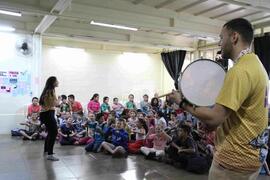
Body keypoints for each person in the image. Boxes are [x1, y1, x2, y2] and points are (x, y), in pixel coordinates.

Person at [169, 18, 269, 180]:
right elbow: (240, 114)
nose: (219, 43)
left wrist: (181, 102)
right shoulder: (256, 65)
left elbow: (215, 118)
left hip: (233, 159)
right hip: (252, 155)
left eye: (221, 38)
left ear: (234, 37)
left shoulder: (239, 71)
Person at [39, 76, 59, 161]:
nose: (58, 82)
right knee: (54, 132)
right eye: (56, 81)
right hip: (47, 113)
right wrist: (59, 100)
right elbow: (53, 104)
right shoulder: (50, 91)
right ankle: (50, 154)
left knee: (51, 132)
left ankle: (47, 150)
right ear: (53, 82)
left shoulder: (49, 91)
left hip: (47, 113)